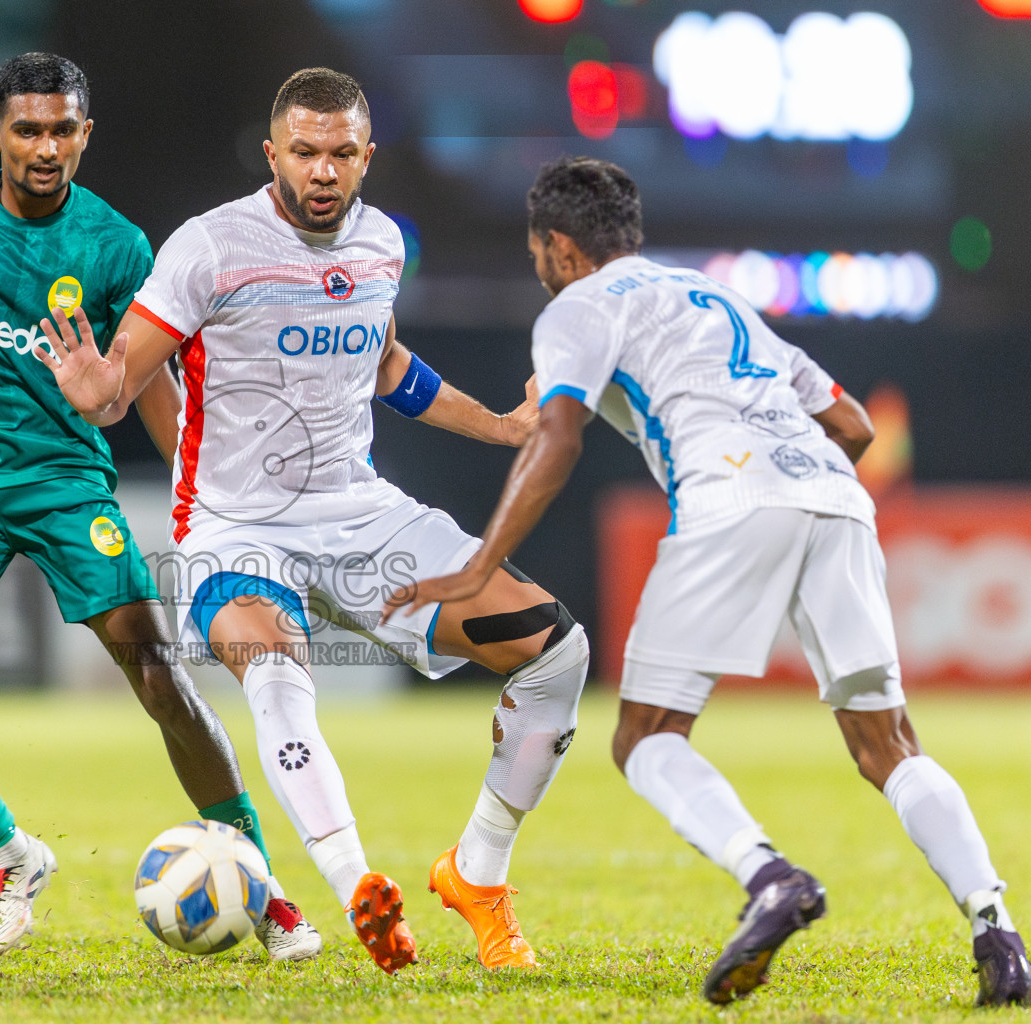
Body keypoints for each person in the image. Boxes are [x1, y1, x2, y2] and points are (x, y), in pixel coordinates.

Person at [386, 155, 1029, 1007]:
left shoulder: (577, 307)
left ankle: (769, 880)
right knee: (890, 745)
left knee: (644, 737)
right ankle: (999, 931)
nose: (540, 266)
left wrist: (474, 568)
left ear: (560, 247)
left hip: (728, 496)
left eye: (539, 252)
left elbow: (558, 437)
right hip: (835, 495)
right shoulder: (715, 297)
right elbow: (856, 424)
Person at [36, 67, 589, 976]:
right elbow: (120, 378)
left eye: (340, 153)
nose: (323, 170)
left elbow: (383, 362)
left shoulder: (378, 247)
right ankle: (356, 885)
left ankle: (478, 873)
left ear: (367, 156)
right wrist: (97, 391)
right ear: (273, 155)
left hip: (361, 515)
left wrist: (499, 425)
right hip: (234, 527)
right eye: (304, 152)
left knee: (556, 651)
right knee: (277, 677)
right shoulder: (210, 247)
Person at [0, 53, 321, 961]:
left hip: (66, 487)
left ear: (85, 134)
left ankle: (262, 881)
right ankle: (14, 857)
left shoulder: (118, 246)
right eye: (28, 130)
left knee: (160, 677)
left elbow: (158, 378)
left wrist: (197, 506)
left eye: (62, 130)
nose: (45, 148)